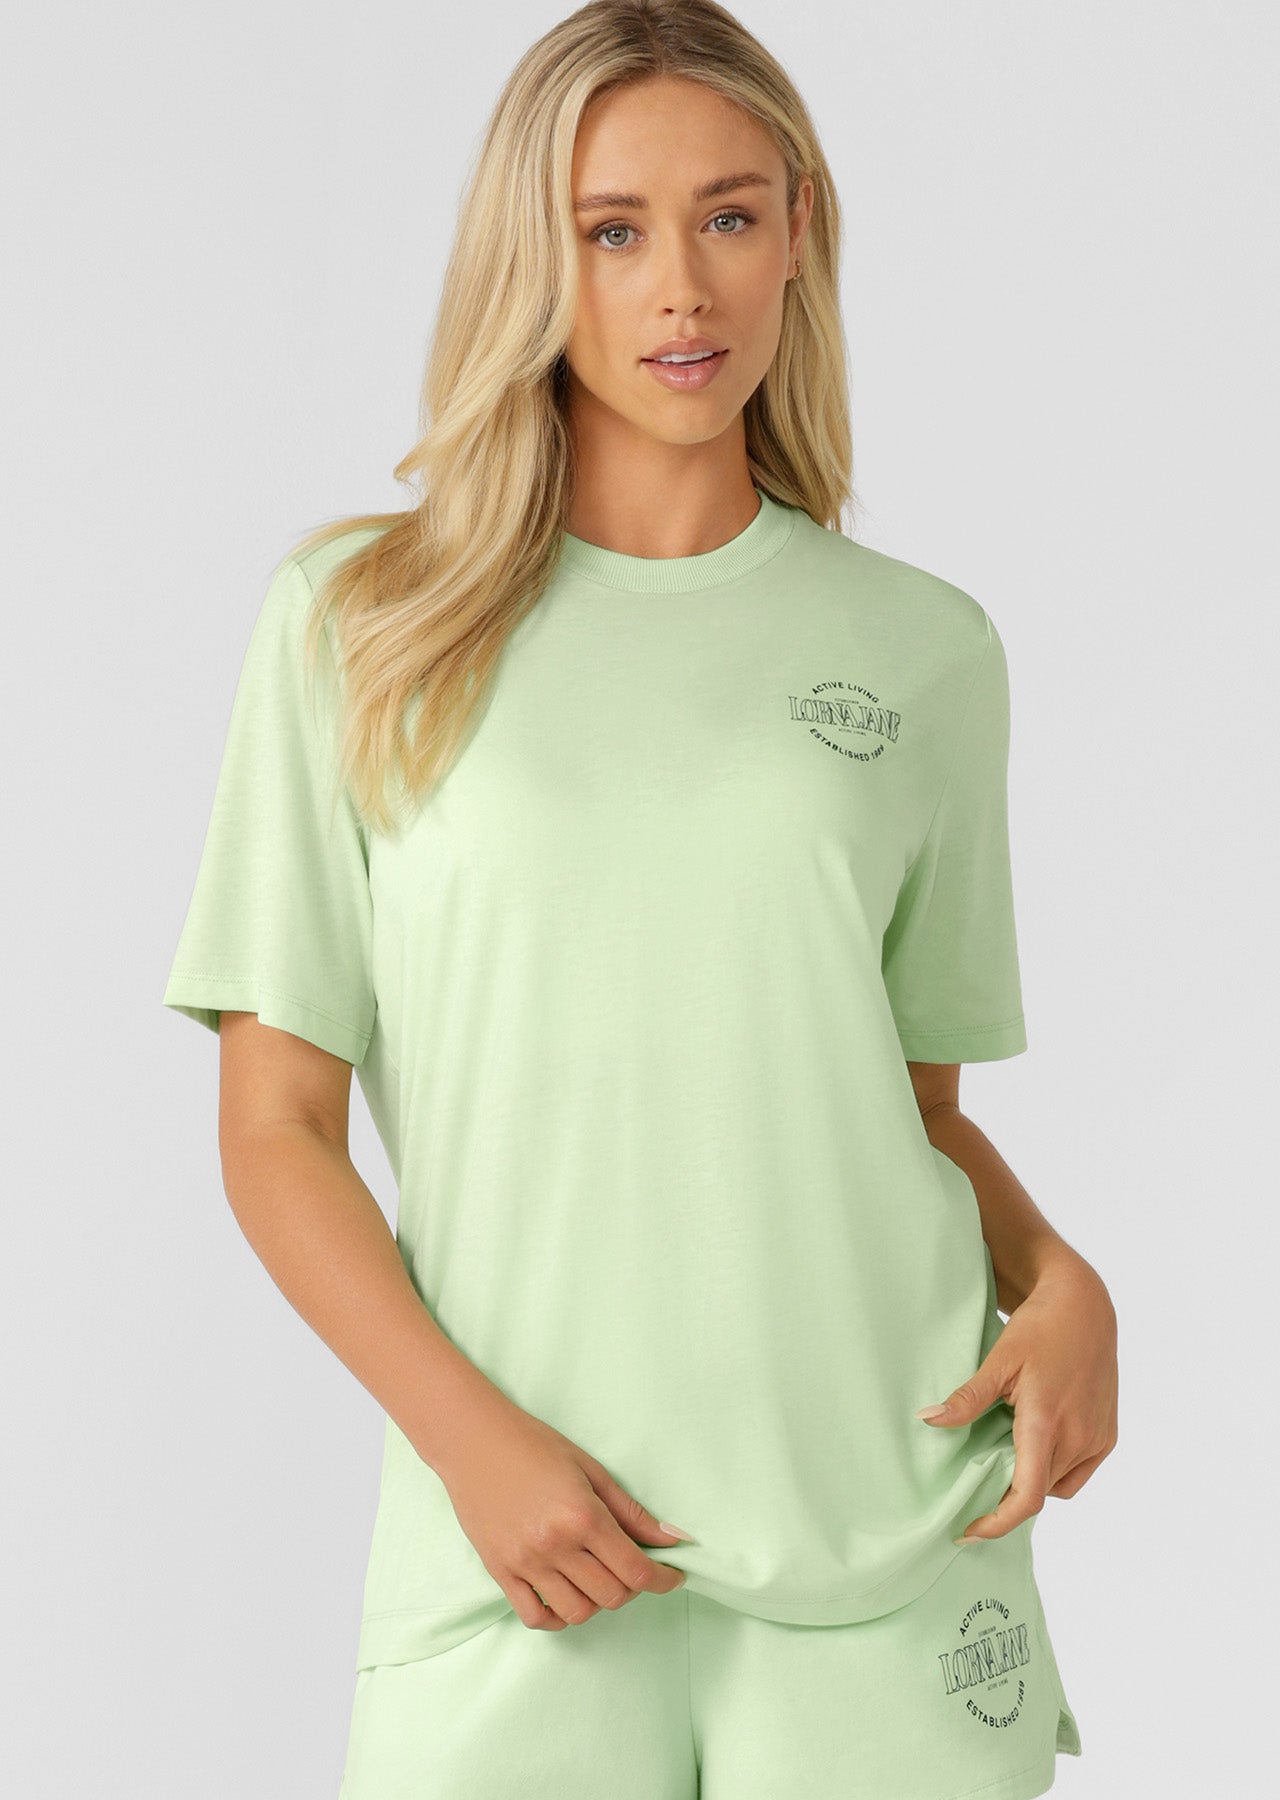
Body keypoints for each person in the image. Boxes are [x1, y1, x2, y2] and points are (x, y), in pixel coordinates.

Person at [162, 3, 1117, 1795]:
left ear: (799, 229)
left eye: (729, 216)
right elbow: (275, 1130)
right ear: (537, 255)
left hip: (887, 1545)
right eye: (613, 230)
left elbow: (903, 1112)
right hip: (519, 1571)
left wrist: (1061, 1281)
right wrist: (472, 1447)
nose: (682, 287)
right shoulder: (362, 626)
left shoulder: (923, 653)